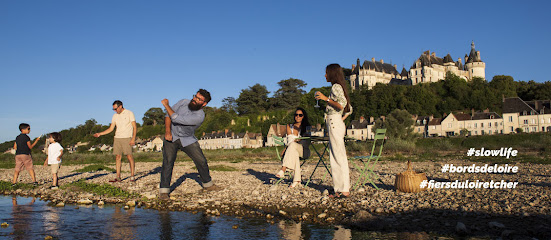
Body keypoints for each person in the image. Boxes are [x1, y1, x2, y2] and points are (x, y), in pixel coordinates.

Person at [159, 89, 222, 200]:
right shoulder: (183, 102)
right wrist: (167, 131)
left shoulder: (199, 116)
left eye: (199, 99)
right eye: (195, 96)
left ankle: (208, 184)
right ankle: (164, 191)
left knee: (201, 160)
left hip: (187, 139)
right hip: (172, 136)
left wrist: (166, 105)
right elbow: (167, 115)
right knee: (168, 162)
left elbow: (175, 117)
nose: (195, 99)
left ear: (204, 103)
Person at [315, 63, 353, 198]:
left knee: (337, 156)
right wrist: (340, 119)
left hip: (334, 123)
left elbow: (342, 105)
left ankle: (343, 190)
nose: (325, 75)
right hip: (336, 122)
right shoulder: (340, 87)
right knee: (338, 155)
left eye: (326, 72)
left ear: (332, 73)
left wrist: (326, 99)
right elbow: (349, 108)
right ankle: (341, 189)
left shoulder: (336, 87)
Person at [93, 100, 137, 182]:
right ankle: (118, 176)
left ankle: (132, 175)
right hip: (117, 138)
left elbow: (134, 127)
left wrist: (133, 138)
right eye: (113, 109)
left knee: (129, 156)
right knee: (117, 157)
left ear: (120, 106)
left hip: (127, 137)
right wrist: (100, 134)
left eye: (116, 109)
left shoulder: (129, 113)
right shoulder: (115, 116)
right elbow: (111, 128)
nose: (115, 110)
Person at [275, 107, 311, 188]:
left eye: (300, 115)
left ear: (303, 116)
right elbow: (290, 139)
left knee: (293, 146)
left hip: (304, 150)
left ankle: (283, 169)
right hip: (293, 149)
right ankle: (296, 180)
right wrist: (295, 141)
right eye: (296, 115)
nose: (298, 116)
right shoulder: (289, 126)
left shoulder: (306, 127)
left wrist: (286, 148)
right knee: (293, 151)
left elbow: (307, 142)